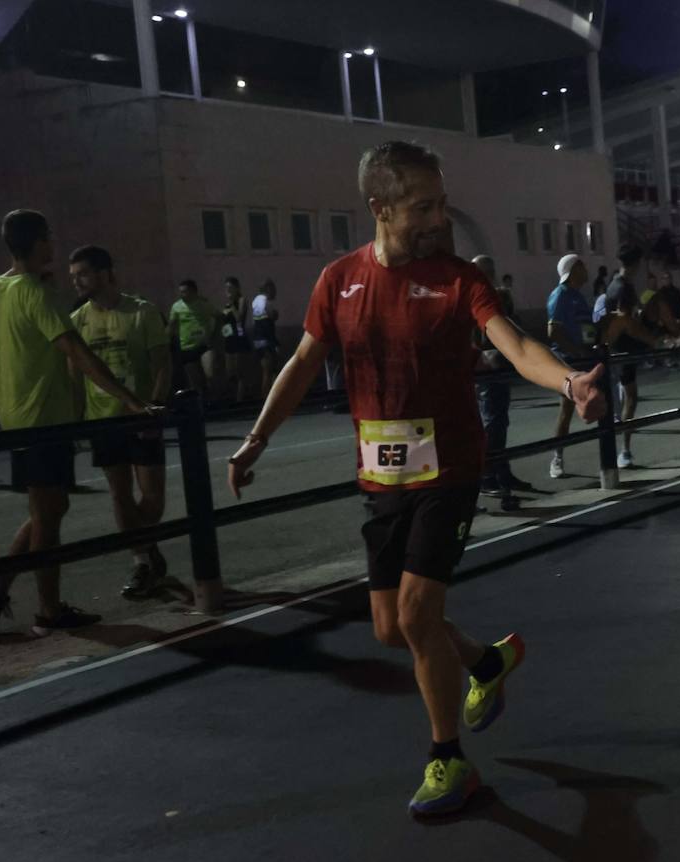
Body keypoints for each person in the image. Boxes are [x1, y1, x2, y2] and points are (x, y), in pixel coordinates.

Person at [226, 141, 606, 817]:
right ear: (380, 208)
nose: (439, 217)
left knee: (414, 614)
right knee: (388, 628)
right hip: (381, 477)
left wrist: (570, 380)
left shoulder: (459, 280)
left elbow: (516, 347)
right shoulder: (338, 280)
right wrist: (257, 437)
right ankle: (486, 662)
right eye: (423, 206)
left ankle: (448, 760)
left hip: (450, 469)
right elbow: (303, 364)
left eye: (441, 201)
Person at [0, 211, 154, 636]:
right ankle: (49, 609)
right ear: (38, 242)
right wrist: (130, 399)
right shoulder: (35, 294)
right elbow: (77, 353)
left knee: (49, 508)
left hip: (16, 418)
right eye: (49, 237)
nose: (52, 244)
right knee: (49, 518)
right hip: (44, 421)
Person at [68, 245, 173, 597]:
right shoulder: (78, 319)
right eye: (73, 277)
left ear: (105, 273)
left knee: (153, 498)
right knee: (120, 495)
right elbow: (75, 374)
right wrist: (78, 419)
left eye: (82, 274)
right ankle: (142, 561)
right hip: (103, 421)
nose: (76, 282)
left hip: (141, 415)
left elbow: (161, 363)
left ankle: (144, 545)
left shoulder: (142, 312)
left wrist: (155, 407)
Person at [472, 254, 526, 508]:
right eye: (484, 269)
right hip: (486, 368)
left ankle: (502, 471)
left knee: (500, 420)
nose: (489, 273)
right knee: (491, 421)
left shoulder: (495, 295)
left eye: (490, 268)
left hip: (499, 364)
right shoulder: (472, 297)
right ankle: (487, 475)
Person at [545, 253, 596, 480]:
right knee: (566, 410)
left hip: (585, 358)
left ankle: (611, 455)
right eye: (582, 265)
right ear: (574, 269)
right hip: (568, 360)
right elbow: (553, 330)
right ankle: (557, 457)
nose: (586, 270)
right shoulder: (561, 296)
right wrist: (576, 352)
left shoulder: (578, 296)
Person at [603, 244, 651, 468]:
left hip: (619, 348)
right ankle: (624, 450)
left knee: (627, 397)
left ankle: (623, 448)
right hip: (624, 349)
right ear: (636, 264)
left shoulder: (616, 285)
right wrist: (649, 339)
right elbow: (626, 322)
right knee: (630, 398)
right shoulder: (623, 288)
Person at [168, 279, 216, 398]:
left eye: (185, 292)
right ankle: (202, 403)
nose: (182, 294)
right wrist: (167, 341)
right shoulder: (176, 306)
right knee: (195, 382)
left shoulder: (204, 304)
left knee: (210, 374)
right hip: (187, 347)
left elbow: (219, 316)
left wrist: (213, 333)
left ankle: (213, 398)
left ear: (193, 291)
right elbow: (171, 326)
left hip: (204, 345)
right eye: (180, 292)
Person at [220, 277, 251, 402]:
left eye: (230, 288)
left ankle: (240, 399)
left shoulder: (241, 300)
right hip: (229, 339)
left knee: (239, 371)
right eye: (226, 288)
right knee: (230, 373)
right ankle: (234, 396)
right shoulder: (226, 304)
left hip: (239, 337)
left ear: (237, 288)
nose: (228, 290)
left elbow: (239, 318)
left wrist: (232, 304)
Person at [251, 280, 281, 398]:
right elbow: (271, 317)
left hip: (258, 340)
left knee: (266, 371)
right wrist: (275, 314)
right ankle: (270, 398)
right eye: (273, 289)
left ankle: (268, 398)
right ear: (268, 289)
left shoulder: (255, 301)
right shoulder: (266, 302)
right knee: (271, 371)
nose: (275, 292)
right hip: (267, 340)